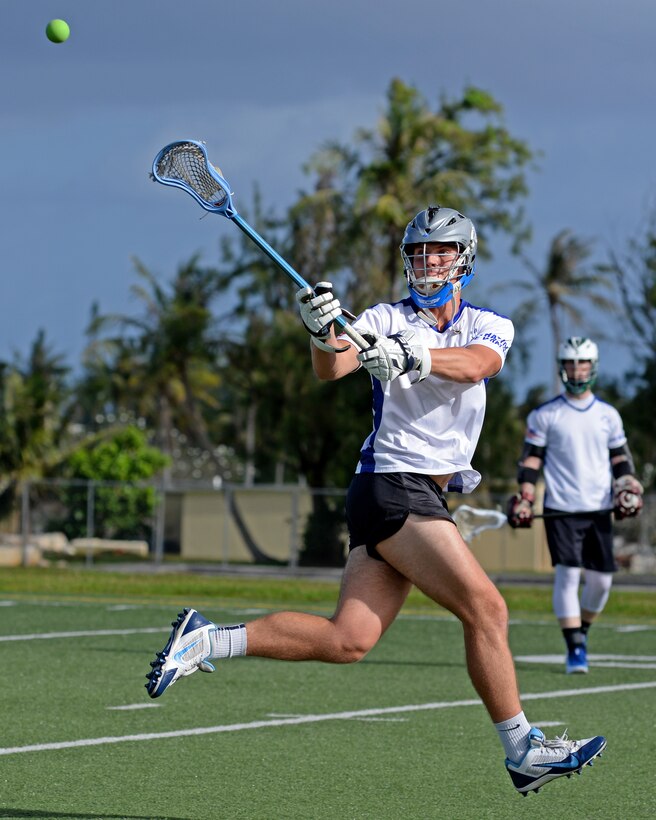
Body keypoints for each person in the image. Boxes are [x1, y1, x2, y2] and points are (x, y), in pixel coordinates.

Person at [146, 207, 606, 795]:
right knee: (486, 609)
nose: (425, 261)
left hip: (402, 492)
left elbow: (477, 366)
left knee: (349, 640)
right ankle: (523, 750)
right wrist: (321, 332)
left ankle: (206, 639)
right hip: (394, 484)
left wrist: (416, 357)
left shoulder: (490, 325)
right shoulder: (386, 317)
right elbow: (332, 365)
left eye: (438, 251)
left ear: (463, 258)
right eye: (417, 252)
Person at [508, 336, 643, 674]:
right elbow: (531, 462)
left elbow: (620, 460)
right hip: (561, 508)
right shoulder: (545, 414)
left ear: (593, 367)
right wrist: (525, 496)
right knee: (567, 576)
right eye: (570, 363)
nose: (576, 369)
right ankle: (575, 648)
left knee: (601, 583)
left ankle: (580, 631)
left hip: (598, 509)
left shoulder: (608, 415)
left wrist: (627, 484)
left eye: (582, 363)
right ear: (562, 367)